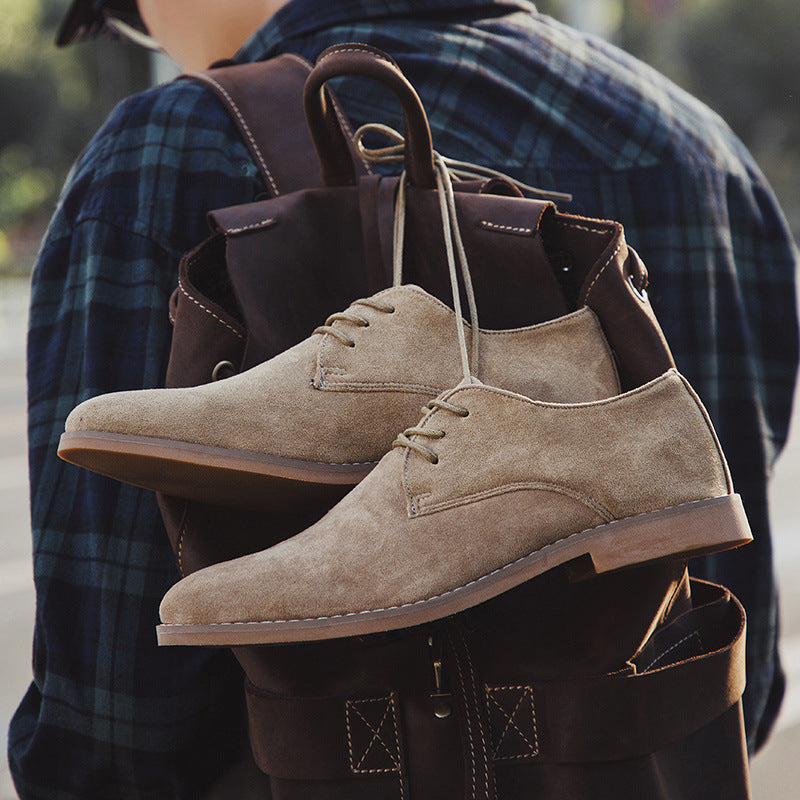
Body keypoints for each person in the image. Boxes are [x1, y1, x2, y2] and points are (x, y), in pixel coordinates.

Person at [10, 0, 798, 797]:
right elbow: (739, 662)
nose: (151, 34)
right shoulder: (709, 154)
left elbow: (111, 730)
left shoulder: (161, 149)